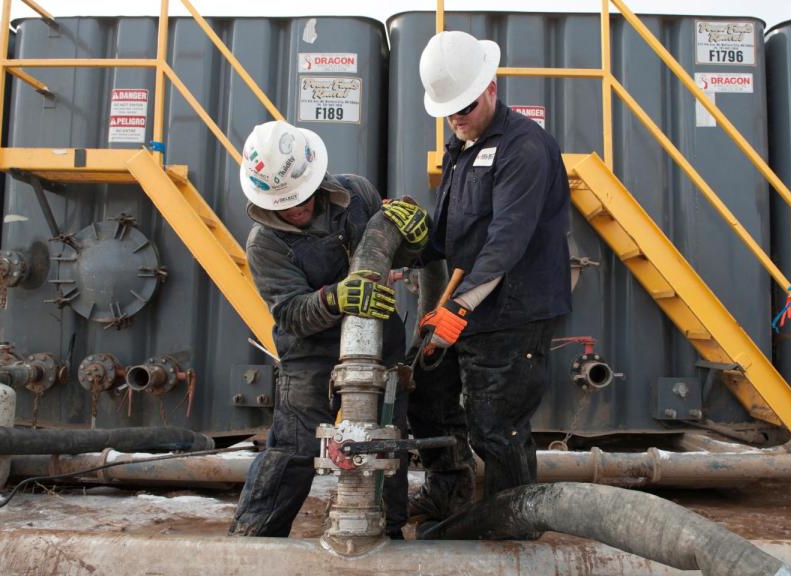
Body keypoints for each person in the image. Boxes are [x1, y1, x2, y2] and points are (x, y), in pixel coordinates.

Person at [228, 121, 429, 539]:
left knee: (386, 437)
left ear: (316, 178)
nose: (296, 209)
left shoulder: (356, 193)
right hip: (310, 348)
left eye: (300, 198)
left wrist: (413, 240)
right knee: (295, 446)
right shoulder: (264, 243)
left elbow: (388, 248)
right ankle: (254, 538)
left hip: (378, 337)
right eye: (285, 203)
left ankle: (386, 533)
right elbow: (290, 313)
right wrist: (336, 299)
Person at [407, 30, 572, 522]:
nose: (457, 117)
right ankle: (451, 490)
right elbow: (446, 234)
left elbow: (506, 239)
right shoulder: (460, 145)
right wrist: (402, 257)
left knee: (496, 425)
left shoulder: (525, 148)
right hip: (471, 307)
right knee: (428, 393)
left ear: (492, 88)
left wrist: (458, 306)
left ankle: (513, 521)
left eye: (466, 106)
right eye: (449, 110)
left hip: (514, 313)